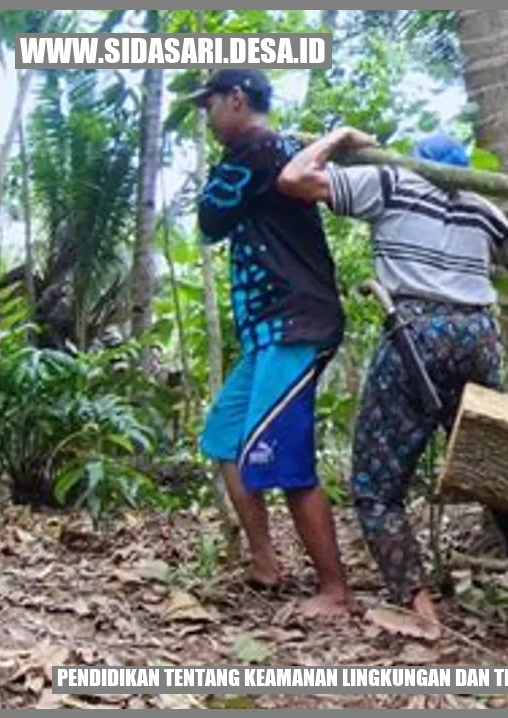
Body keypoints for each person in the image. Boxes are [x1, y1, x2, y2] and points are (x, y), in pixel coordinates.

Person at [277, 129, 508, 636]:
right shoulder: (484, 209)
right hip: (477, 337)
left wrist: (337, 139)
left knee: (377, 488)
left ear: (416, 162)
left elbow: (294, 178)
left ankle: (419, 604)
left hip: (415, 333)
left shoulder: (390, 182)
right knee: (496, 473)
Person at [189, 69, 352, 618]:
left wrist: (334, 139)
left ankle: (335, 590)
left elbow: (210, 219)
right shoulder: (279, 153)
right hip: (267, 331)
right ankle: (265, 562)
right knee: (225, 439)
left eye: (208, 105)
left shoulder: (257, 149)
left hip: (294, 323)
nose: (206, 118)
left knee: (283, 458)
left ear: (236, 100)